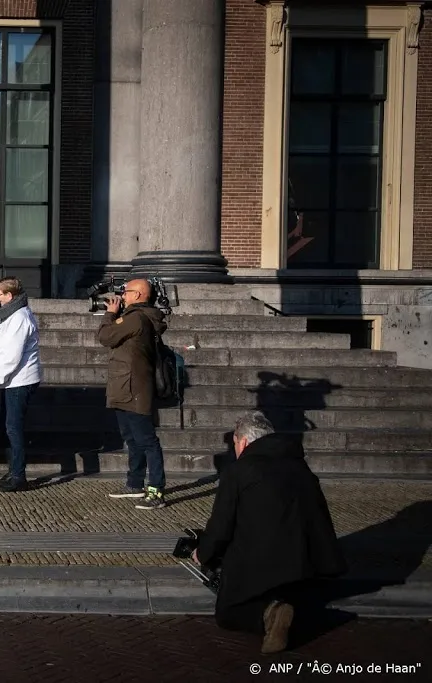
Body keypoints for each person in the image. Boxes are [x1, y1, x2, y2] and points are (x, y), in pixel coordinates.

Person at [193, 411, 346, 654]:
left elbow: (221, 526)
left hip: (260, 560)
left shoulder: (239, 470)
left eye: (234, 444)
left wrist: (202, 553)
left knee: (227, 613)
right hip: (306, 561)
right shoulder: (299, 465)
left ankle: (269, 613)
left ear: (242, 441)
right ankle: (285, 609)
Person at [98, 278, 168, 509]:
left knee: (147, 441)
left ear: (138, 295)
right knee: (132, 439)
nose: (122, 296)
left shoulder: (136, 317)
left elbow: (106, 337)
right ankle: (134, 483)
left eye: (125, 292)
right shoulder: (136, 316)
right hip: (124, 386)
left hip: (134, 388)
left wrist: (110, 314)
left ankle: (156, 491)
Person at [0, 276, 41, 493]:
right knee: (7, 426)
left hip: (19, 380)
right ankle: (13, 471)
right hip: (12, 380)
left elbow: (11, 355)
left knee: (13, 428)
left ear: (10, 296)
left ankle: (19, 476)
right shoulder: (10, 315)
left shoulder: (19, 318)